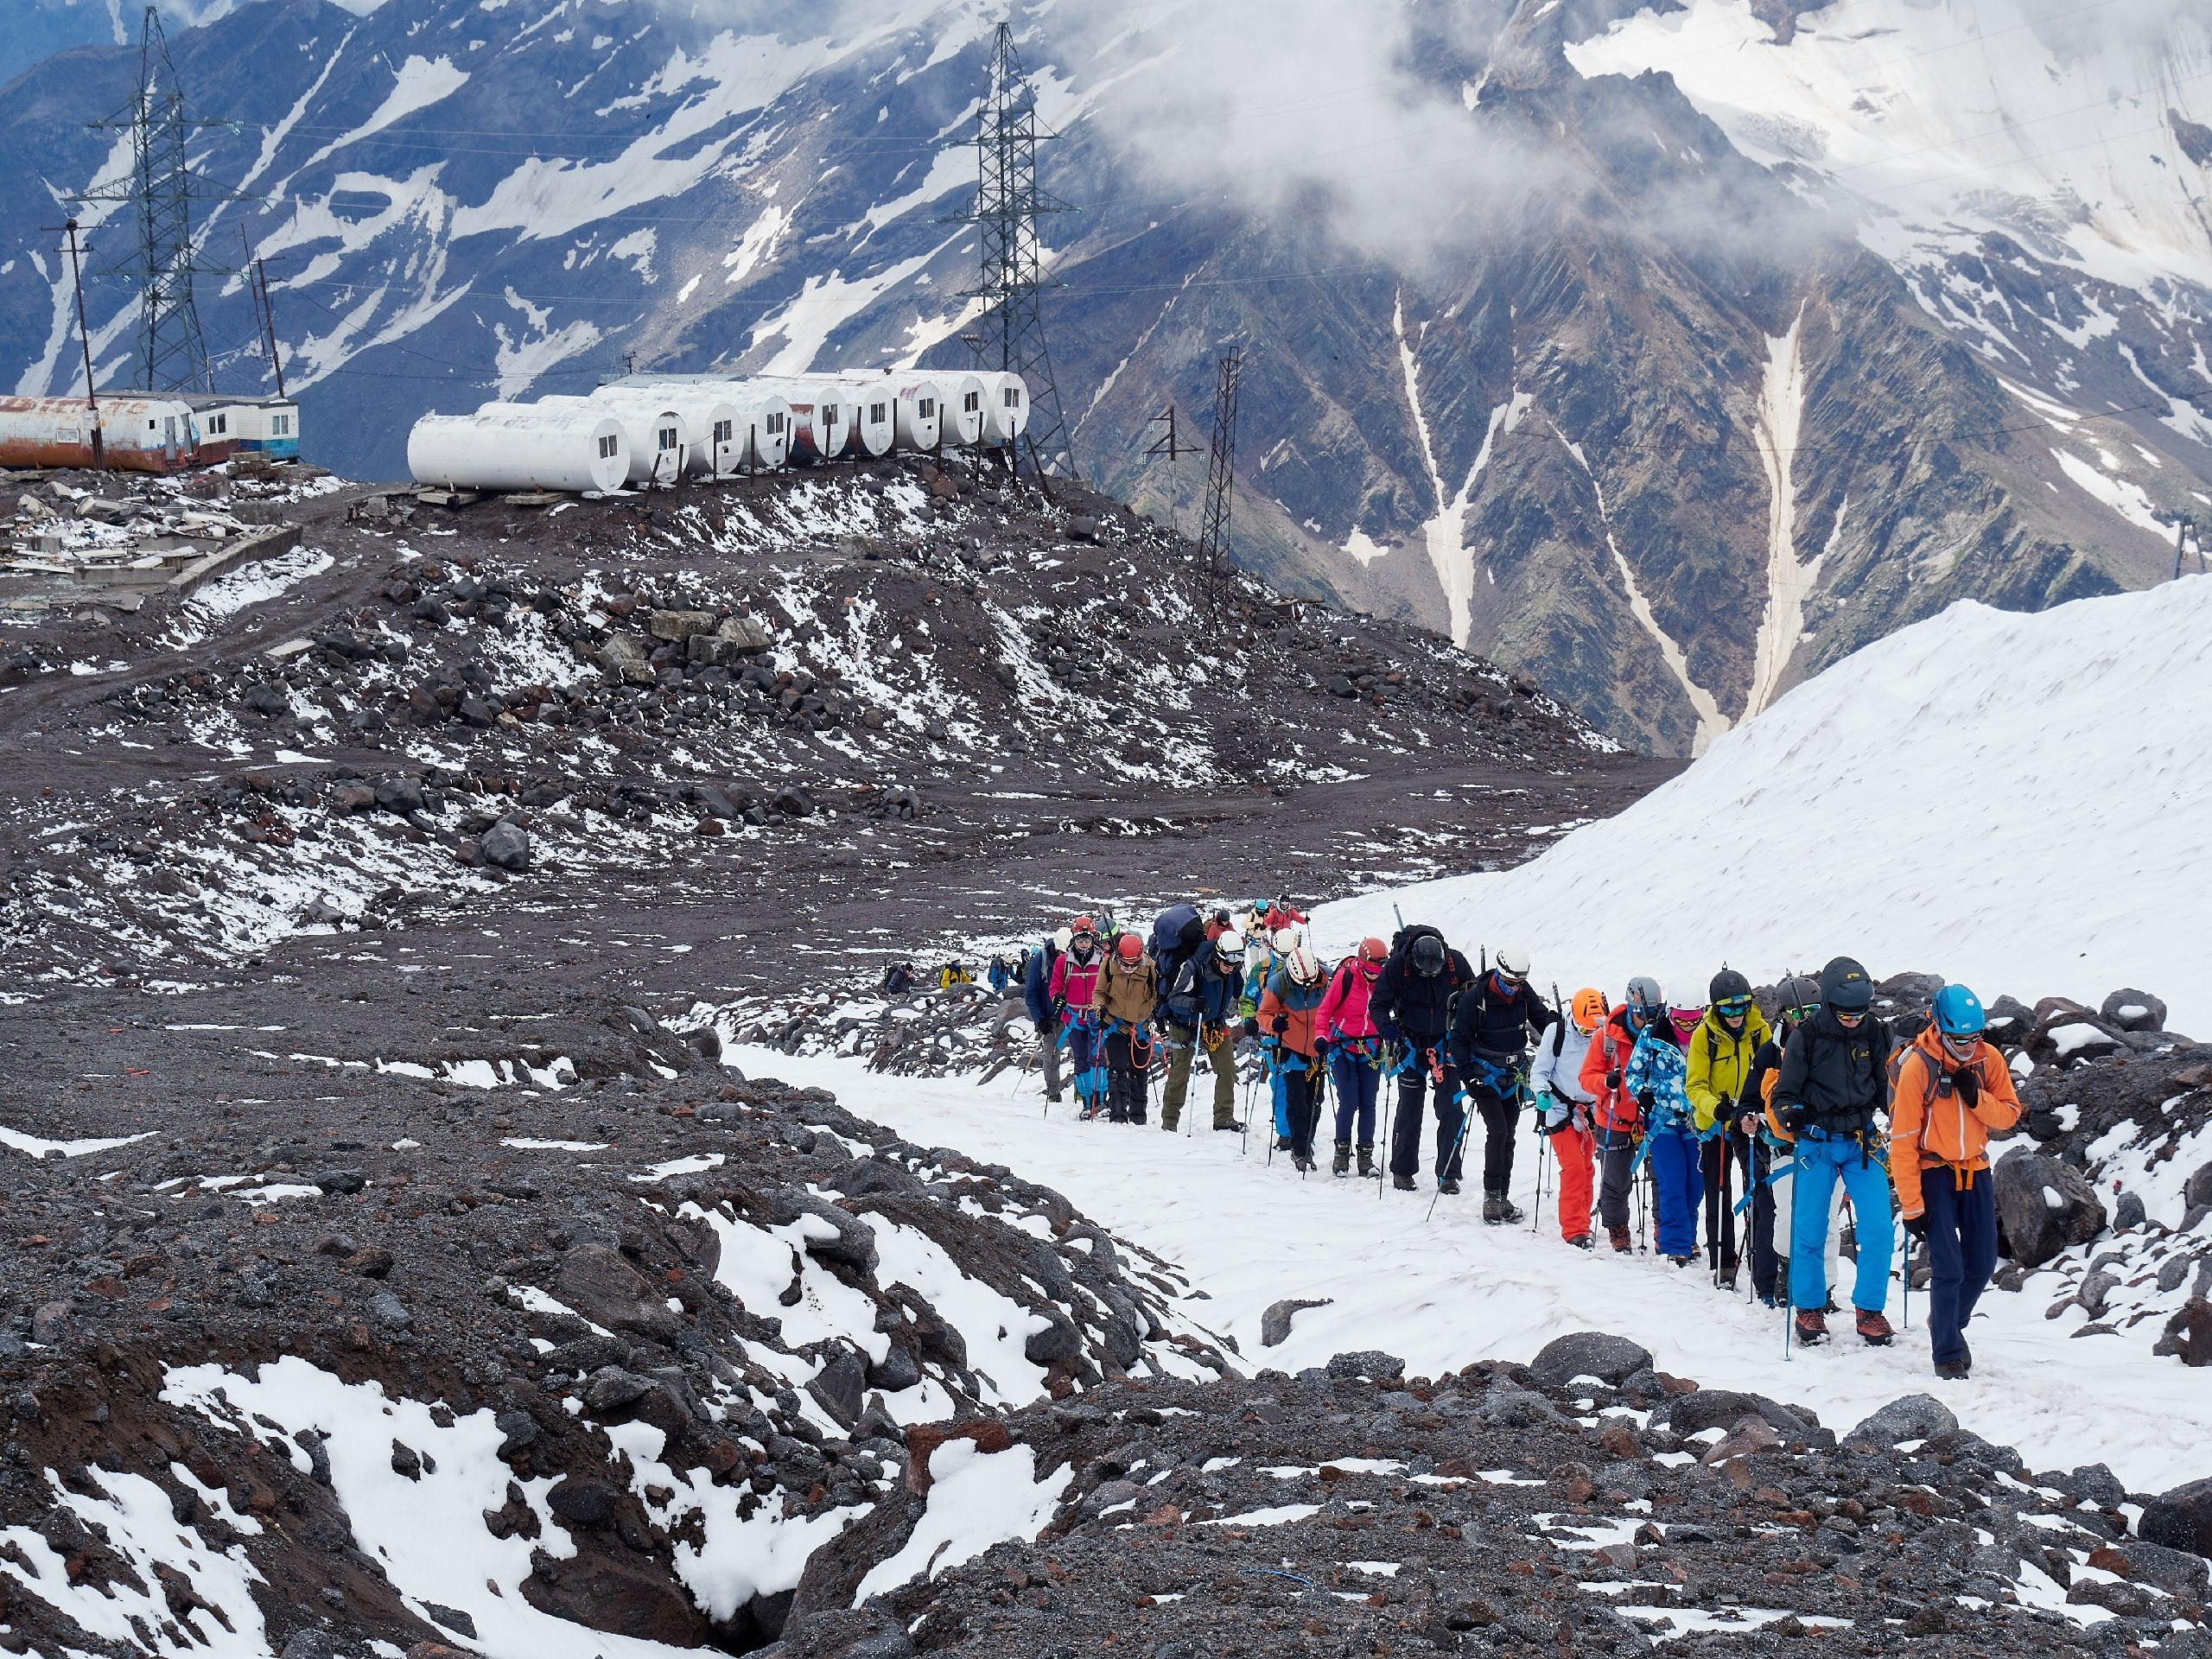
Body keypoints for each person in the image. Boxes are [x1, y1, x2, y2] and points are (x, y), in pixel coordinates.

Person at [1889, 983, 2021, 1379]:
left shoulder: (1989, 1060)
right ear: (1939, 1027)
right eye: (1958, 1039)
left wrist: (1976, 1097)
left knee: (1981, 1264)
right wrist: (1911, 1206)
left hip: (1976, 1170)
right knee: (1949, 1268)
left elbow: (2010, 1115)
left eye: (1974, 1037)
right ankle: (1946, 1353)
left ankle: (1946, 1322)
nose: (1966, 1046)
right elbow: (1903, 1141)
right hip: (1934, 1174)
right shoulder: (1918, 1067)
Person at [1771, 955, 1896, 1347]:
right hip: (1816, 1142)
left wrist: (1903, 1113)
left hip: (1862, 1142)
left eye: (1860, 1012)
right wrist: (1788, 1112)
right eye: (1846, 1012)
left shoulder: (1875, 1032)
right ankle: (1808, 1308)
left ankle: (1870, 1310)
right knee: (1808, 1229)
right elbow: (1785, 1092)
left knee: (1878, 1228)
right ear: (1828, 1003)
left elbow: (1883, 1087)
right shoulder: (1804, 1036)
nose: (1853, 1019)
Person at [1445, 944, 1555, 1222]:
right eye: (1509, 983)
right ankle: (1491, 1198)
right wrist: (1468, 1077)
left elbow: (1542, 1019)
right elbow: (1458, 1039)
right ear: (1499, 973)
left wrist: (1563, 1027)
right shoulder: (1476, 999)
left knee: (1509, 1135)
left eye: (1518, 983)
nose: (1513, 988)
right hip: (1485, 1077)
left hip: (1515, 1076)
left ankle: (1502, 1197)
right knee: (1497, 1130)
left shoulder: (1522, 993)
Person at [1685, 969, 1771, 1289]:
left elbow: (1772, 1076)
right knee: (1718, 1193)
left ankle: (1761, 1258)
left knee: (1760, 1192)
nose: (1736, 1014)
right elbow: (1694, 1085)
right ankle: (1723, 1261)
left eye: (1742, 1006)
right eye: (1727, 1008)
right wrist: (1714, 1108)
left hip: (1752, 1123)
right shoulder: (1703, 1035)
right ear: (1715, 1007)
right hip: (1717, 1126)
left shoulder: (1760, 1031)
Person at [1738, 975, 1821, 1306]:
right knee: (1778, 1215)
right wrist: (1747, 1116)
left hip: (1822, 1146)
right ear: (1783, 1014)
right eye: (1797, 1012)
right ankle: (1771, 1284)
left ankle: (1816, 1287)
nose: (1805, 1017)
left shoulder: (1830, 1047)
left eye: (1813, 1009)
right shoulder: (1770, 1053)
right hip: (1781, 1147)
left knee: (1819, 1220)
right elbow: (1750, 1098)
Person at [1371, 925, 1472, 1192]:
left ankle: (1448, 1173)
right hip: (1410, 1044)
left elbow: (1473, 998)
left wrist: (1467, 1033)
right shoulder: (1397, 966)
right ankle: (1402, 1171)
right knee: (1410, 1108)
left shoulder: (1456, 963)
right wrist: (1385, 1027)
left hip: (1446, 1046)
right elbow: (1378, 1004)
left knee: (1452, 1108)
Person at [1580, 976, 1665, 1251]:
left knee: (1662, 1179)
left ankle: (1664, 1230)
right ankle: (1617, 1229)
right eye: (1643, 1015)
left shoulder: (1661, 1036)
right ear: (1631, 1009)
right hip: (1614, 1117)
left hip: (1652, 1118)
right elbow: (1586, 1078)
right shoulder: (1606, 1037)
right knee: (1615, 1182)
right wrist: (1607, 1081)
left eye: (1654, 1015)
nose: (1648, 1023)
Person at [1624, 982, 1700, 1263]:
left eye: (1694, 1021)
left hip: (1697, 1124)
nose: (1688, 1027)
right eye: (1681, 1020)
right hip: (1662, 1122)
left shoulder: (1706, 1038)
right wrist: (1642, 1092)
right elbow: (1633, 1073)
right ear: (1670, 1013)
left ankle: (1688, 1237)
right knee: (1672, 1182)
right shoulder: (1652, 1035)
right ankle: (1675, 1245)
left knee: (1695, 1185)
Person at [1532, 988, 1605, 1247]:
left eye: (1593, 1030)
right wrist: (1541, 1093)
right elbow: (1539, 1072)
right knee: (1574, 1167)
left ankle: (1583, 1222)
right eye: (1584, 1030)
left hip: (1590, 1114)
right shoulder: (1557, 1033)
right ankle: (1574, 1230)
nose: (1589, 1035)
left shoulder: (1603, 1034)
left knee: (1586, 1168)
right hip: (1560, 1111)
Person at [1160, 928, 1247, 1133]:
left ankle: (1224, 1117)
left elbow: (1238, 989)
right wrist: (1192, 1004)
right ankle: (1170, 1120)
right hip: (1186, 1025)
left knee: (1227, 1070)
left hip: (1214, 1024)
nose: (1230, 968)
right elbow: (1174, 999)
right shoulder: (1192, 968)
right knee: (1180, 1074)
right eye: (1227, 963)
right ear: (1218, 955)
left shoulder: (1233, 970)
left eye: (1235, 964)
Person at [1318, 938, 1389, 1178]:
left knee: (1368, 1102)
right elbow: (1325, 1010)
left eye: (1378, 971)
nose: (1374, 976)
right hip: (1342, 1046)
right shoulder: (1345, 977)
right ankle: (1342, 1153)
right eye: (1370, 971)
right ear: (1361, 962)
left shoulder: (1385, 981)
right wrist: (1321, 1036)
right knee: (1349, 1101)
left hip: (1371, 1048)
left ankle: (1366, 1158)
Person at [1259, 945, 1328, 1172]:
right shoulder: (1279, 984)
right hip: (1291, 1050)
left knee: (1315, 1102)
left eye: (1311, 981)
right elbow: (1263, 1014)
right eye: (1303, 983)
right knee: (1296, 1102)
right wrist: (1273, 1025)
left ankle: (1307, 1141)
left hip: (1318, 1051)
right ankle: (1300, 1151)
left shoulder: (1326, 979)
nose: (1308, 986)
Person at [1095, 931, 1159, 1125]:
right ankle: (1118, 1117)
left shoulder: (1150, 968)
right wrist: (1100, 1010)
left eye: (1133, 963)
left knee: (1140, 1072)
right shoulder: (1107, 965)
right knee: (1117, 1071)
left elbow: (1157, 995)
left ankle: (1139, 1118)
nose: (1129, 967)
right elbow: (1099, 992)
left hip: (1141, 1028)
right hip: (1116, 1026)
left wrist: (1155, 1018)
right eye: (1125, 963)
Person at [1048, 918, 1109, 1120]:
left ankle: (1101, 1101)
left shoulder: (1103, 960)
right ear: (1074, 938)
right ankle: (1086, 1102)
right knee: (1081, 1060)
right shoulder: (1062, 962)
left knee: (1098, 1059)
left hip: (1097, 1017)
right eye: (1080, 938)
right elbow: (1055, 986)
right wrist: (1057, 997)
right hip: (1074, 1019)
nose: (1084, 943)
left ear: (1093, 938)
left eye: (1087, 938)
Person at [1020, 928, 1069, 1103]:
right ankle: (1054, 1093)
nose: (1065, 955)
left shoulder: (1074, 957)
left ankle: (1084, 1095)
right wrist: (1040, 1019)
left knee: (1082, 1055)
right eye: (1062, 952)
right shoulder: (1040, 960)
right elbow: (1031, 993)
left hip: (1071, 1015)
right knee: (1051, 1056)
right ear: (1056, 948)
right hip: (1048, 1019)